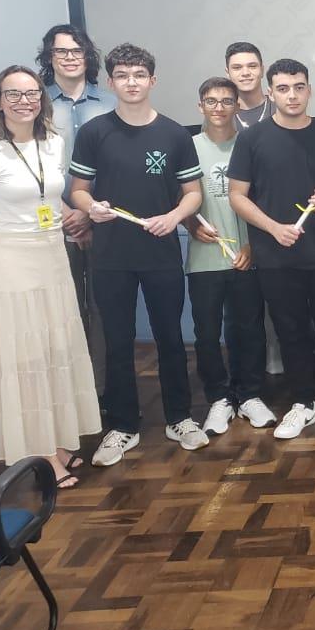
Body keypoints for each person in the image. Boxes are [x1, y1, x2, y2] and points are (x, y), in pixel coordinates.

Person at [0, 66, 101, 488]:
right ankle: (40, 453)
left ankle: (55, 440)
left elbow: (49, 197)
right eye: (13, 94)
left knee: (55, 350)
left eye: (32, 93)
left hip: (52, 255)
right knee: (25, 358)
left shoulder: (52, 142)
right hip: (9, 261)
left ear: (42, 98)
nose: (24, 101)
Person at [68, 43, 209, 465]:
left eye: (139, 75)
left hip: (161, 253)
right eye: (123, 75)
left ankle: (179, 418)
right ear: (111, 82)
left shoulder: (174, 134)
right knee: (117, 341)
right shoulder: (94, 133)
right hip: (110, 256)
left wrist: (174, 216)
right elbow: (78, 190)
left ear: (152, 80)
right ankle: (122, 426)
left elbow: (193, 193)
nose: (131, 82)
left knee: (170, 338)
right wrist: (89, 208)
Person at [228, 59, 315, 438]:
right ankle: (303, 401)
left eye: (299, 87)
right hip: (276, 254)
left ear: (309, 90)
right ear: (270, 93)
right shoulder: (252, 139)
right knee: (291, 330)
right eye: (284, 88)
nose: (292, 95)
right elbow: (237, 195)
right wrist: (273, 228)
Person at [185, 77, 276, 436]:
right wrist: (191, 225)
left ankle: (250, 394)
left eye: (227, 101)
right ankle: (219, 398)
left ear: (237, 106)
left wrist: (252, 246)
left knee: (249, 329)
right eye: (211, 101)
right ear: (200, 106)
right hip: (204, 258)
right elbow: (179, 197)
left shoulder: (251, 144)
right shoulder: (188, 147)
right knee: (207, 333)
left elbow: (264, 200)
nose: (219, 108)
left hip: (246, 256)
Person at [37, 24, 115, 398]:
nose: (70, 58)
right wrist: (69, 212)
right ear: (49, 57)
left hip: (106, 220)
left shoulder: (111, 103)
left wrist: (89, 212)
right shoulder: (36, 103)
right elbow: (31, 164)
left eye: (77, 50)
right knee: (62, 309)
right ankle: (69, 395)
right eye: (61, 51)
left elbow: (121, 166)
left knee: (105, 309)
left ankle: (102, 390)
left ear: (88, 56)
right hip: (55, 221)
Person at [225, 41, 273, 129]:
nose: (245, 73)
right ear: (228, 73)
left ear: (262, 70)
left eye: (252, 66)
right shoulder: (220, 115)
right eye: (237, 68)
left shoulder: (281, 110)